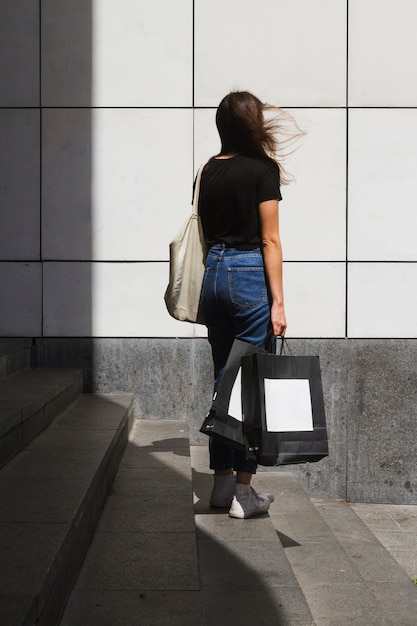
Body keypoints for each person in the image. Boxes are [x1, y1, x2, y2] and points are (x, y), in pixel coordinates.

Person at [198, 90, 301, 519]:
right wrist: (278, 302)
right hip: (247, 275)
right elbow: (270, 239)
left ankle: (222, 482)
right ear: (252, 124)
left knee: (225, 379)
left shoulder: (208, 170)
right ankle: (244, 491)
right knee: (249, 384)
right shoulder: (262, 170)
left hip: (214, 273)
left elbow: (202, 228)